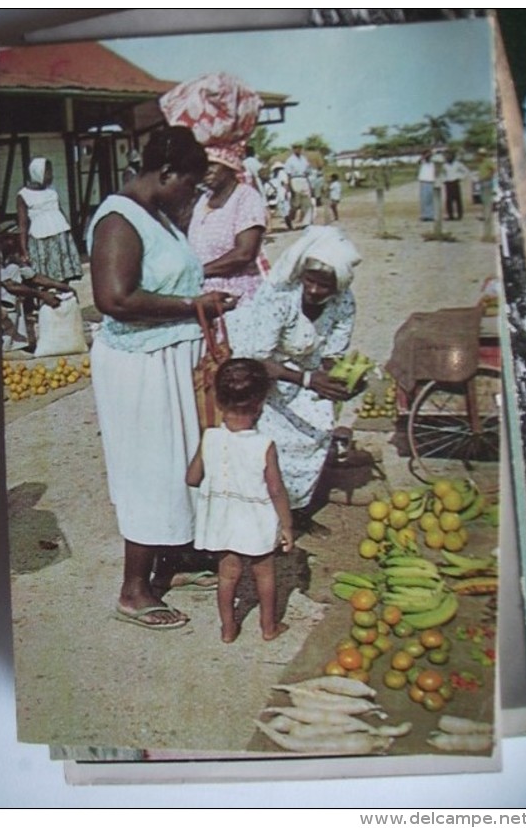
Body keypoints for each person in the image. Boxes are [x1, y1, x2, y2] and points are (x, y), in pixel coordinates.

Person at [86, 126, 238, 630]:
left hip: (169, 357)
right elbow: (114, 299)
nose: (192, 194)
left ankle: (177, 557)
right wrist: (193, 306)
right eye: (190, 185)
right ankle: (133, 589)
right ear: (165, 173)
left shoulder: (159, 218)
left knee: (180, 462)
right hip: (140, 368)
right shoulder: (118, 218)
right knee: (149, 470)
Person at [227, 226, 361, 534]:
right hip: (260, 367)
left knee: (317, 429)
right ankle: (265, 512)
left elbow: (333, 352)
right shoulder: (280, 296)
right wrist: (307, 379)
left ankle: (297, 510)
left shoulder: (344, 302)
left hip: (306, 369)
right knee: (268, 442)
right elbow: (256, 358)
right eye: (310, 281)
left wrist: (339, 380)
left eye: (324, 286)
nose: (314, 290)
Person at [186, 358, 294, 643]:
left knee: (228, 575)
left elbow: (192, 478)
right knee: (265, 574)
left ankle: (228, 628)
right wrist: (287, 525)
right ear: (260, 405)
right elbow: (275, 489)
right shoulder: (264, 445)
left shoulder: (209, 438)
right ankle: (269, 627)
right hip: (256, 520)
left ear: (218, 401)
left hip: (223, 519)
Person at [187, 144, 267, 307]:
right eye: (202, 166)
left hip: (236, 295)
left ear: (229, 166)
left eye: (212, 164)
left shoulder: (246, 197)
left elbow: (244, 253)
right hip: (205, 294)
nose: (206, 171)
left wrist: (199, 272)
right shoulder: (203, 200)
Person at [17, 157, 84, 283]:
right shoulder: (23, 195)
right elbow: (23, 223)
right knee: (43, 278)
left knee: (64, 276)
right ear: (37, 173)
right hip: (40, 239)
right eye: (47, 172)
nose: (51, 175)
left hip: (60, 236)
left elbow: (60, 211)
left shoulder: (52, 191)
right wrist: (24, 250)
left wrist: (69, 232)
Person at [284, 143, 313, 228]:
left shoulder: (304, 159)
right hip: (294, 180)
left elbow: (308, 172)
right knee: (295, 204)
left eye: (299, 148)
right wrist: (290, 187)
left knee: (307, 203)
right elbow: (288, 175)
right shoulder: (290, 160)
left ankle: (306, 223)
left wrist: (309, 184)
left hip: (304, 179)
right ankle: (289, 218)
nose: (298, 150)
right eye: (296, 148)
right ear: (293, 149)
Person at [441, 149, 469, 221]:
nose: (447, 157)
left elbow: (466, 171)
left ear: (453, 156)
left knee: (458, 199)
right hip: (448, 183)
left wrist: (460, 178)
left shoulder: (457, 164)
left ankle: (459, 215)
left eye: (449, 156)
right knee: (449, 200)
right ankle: (450, 215)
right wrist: (444, 180)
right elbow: (442, 174)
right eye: (446, 156)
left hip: (455, 182)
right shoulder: (444, 165)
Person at [270, 161, 293, 230]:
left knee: (284, 210)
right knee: (285, 210)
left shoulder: (275, 175)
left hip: (280, 193)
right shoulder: (280, 173)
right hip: (282, 193)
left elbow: (283, 183)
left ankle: (289, 225)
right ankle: (289, 226)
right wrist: (287, 191)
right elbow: (285, 183)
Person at [417, 150, 437, 221]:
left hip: (431, 182)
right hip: (424, 182)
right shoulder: (423, 162)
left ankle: (430, 215)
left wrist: (432, 153)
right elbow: (419, 161)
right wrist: (425, 155)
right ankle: (424, 215)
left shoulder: (432, 163)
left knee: (430, 199)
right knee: (424, 199)